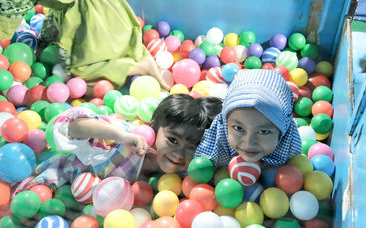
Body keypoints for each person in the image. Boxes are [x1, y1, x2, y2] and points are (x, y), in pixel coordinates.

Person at [0, 0, 170, 90]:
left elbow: (4, 27)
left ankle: (138, 67)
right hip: (106, 1)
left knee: (80, 74)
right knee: (48, 47)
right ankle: (144, 61)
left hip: (88, 16)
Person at [13, 94, 222, 193]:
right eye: (172, 140)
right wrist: (121, 136)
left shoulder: (187, 177)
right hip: (54, 183)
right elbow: (68, 124)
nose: (179, 152)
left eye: (192, 146)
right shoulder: (126, 138)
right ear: (154, 129)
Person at [194, 69, 302, 168]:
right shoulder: (209, 153)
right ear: (225, 123)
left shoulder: (290, 152)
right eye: (239, 128)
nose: (249, 143)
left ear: (283, 130)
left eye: (264, 131)